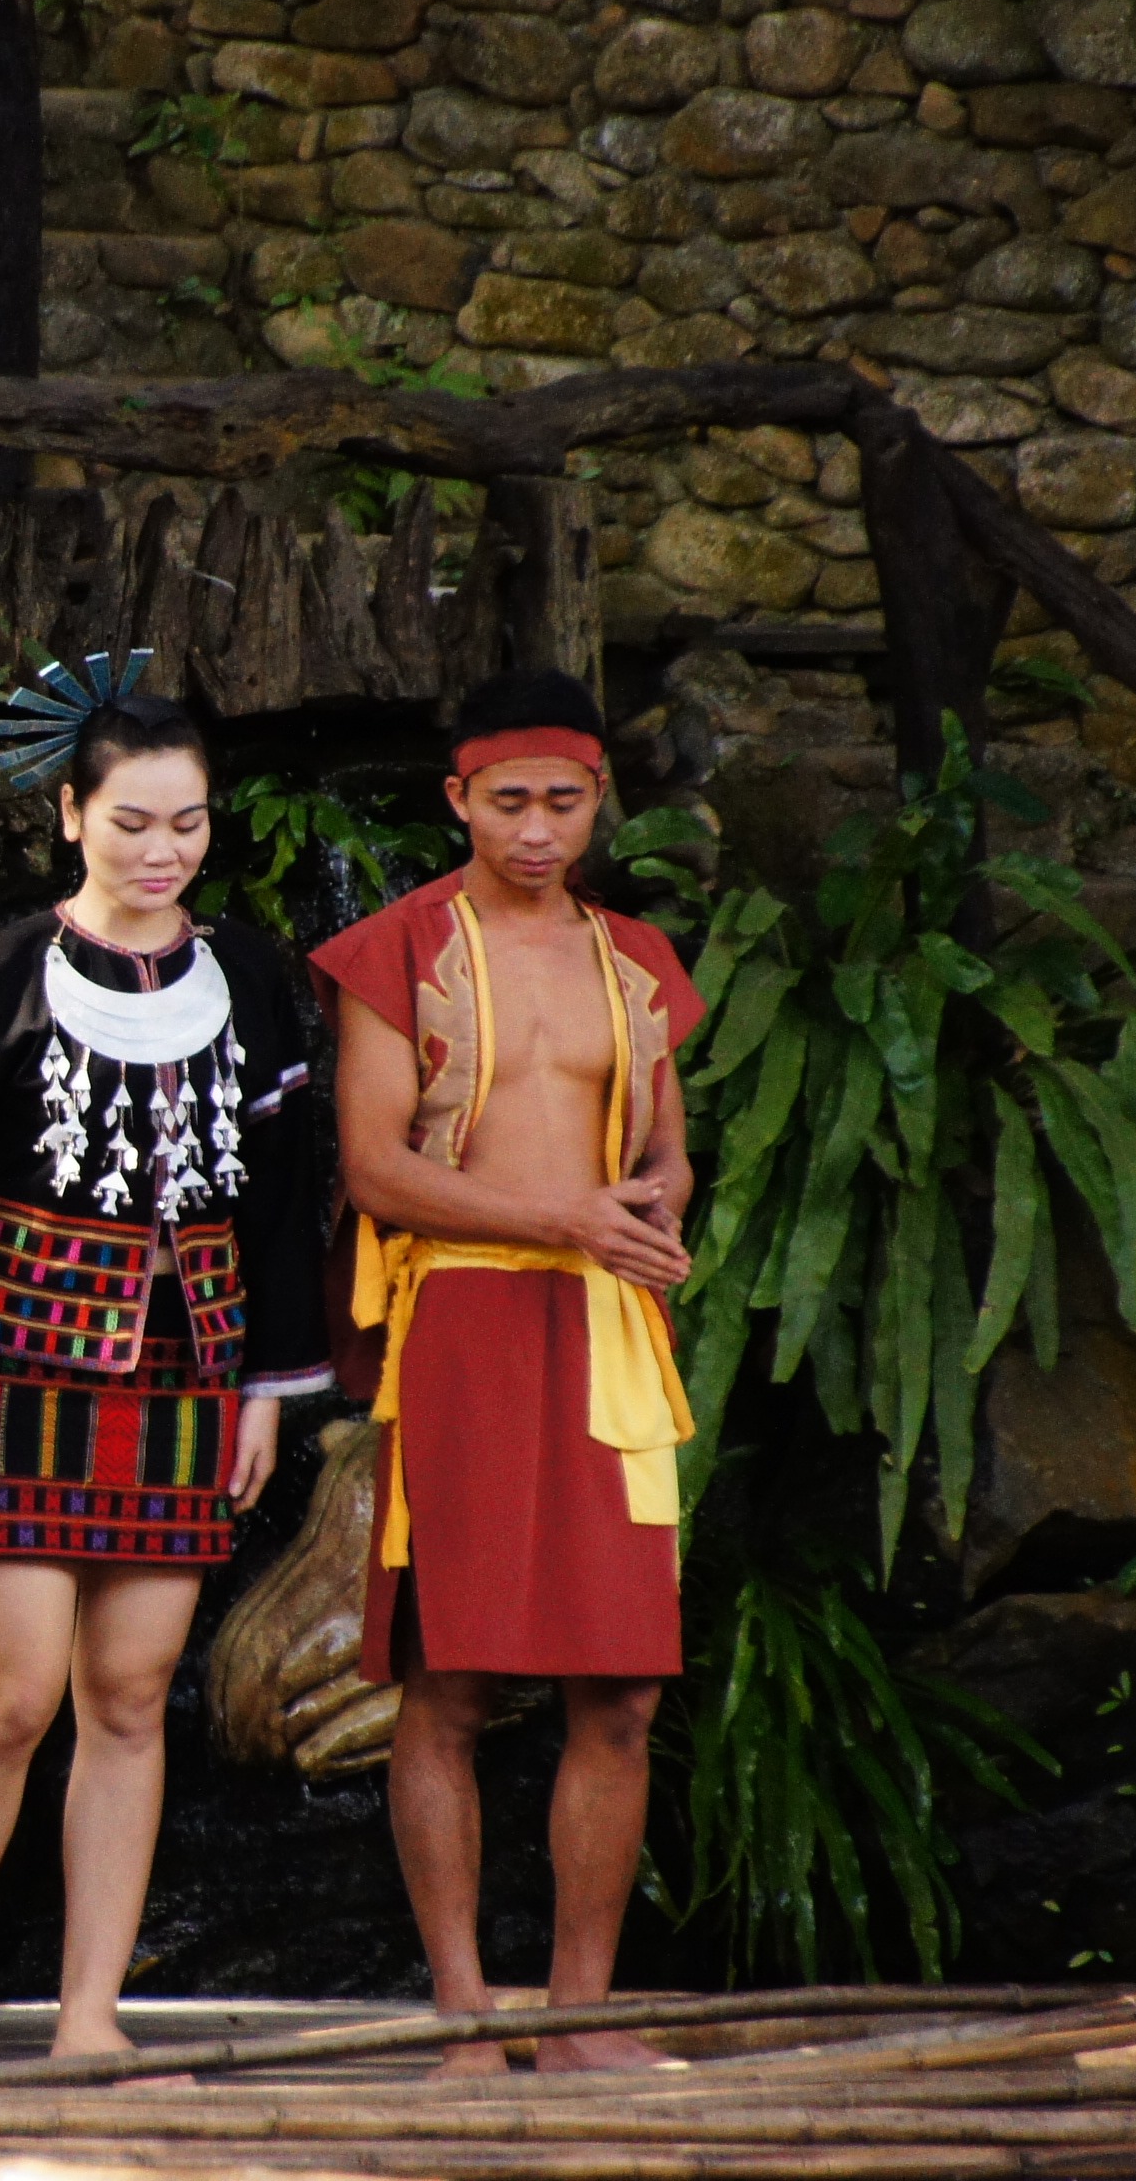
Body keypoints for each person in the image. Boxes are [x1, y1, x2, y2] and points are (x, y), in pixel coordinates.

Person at [0, 678, 334, 2066]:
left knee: (134, 1691)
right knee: (15, 1693)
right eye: (133, 822)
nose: (163, 851)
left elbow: (283, 1203)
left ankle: (90, 2012)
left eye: (187, 824)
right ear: (70, 815)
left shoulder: (253, 977)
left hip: (190, 1364)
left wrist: (272, 1388)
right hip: (28, 1356)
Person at [307, 667, 704, 2076]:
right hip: (465, 1320)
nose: (538, 830)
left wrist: (654, 1200)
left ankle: (580, 2012)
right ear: (458, 801)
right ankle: (468, 2011)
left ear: (599, 801)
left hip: (605, 1327)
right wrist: (564, 1217)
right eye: (510, 801)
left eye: (565, 802)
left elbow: (665, 1148)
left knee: (624, 1693)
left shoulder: (636, 960)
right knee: (452, 1681)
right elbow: (376, 1170)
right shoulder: (397, 950)